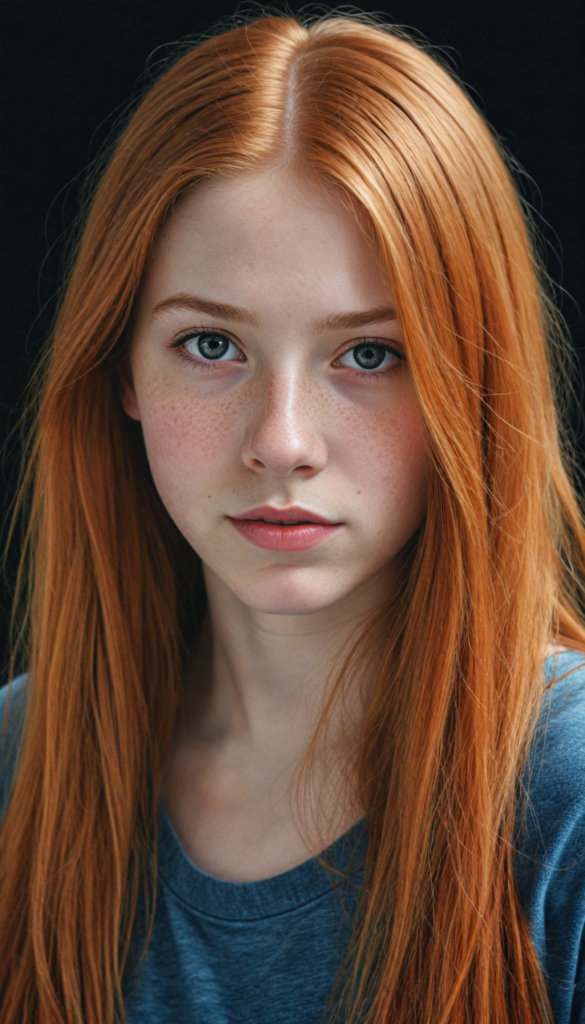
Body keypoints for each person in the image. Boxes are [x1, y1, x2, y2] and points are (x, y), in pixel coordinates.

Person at [0, 11, 584, 1024]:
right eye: (211, 346)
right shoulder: (20, 764)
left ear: (475, 385)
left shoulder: (568, 802)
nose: (281, 441)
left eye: (369, 354)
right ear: (120, 368)